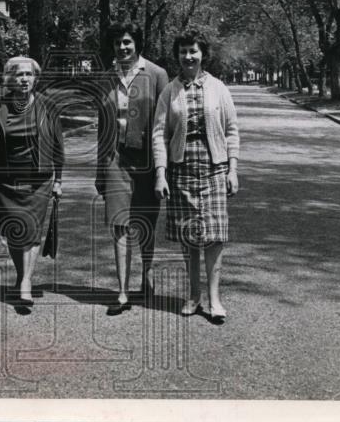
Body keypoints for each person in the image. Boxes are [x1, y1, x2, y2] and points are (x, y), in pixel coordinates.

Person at [152, 29, 239, 323]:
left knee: (214, 238)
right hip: (182, 170)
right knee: (189, 238)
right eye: (183, 52)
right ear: (177, 55)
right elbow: (159, 135)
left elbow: (231, 131)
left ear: (203, 54)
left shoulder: (218, 88)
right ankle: (193, 295)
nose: (188, 57)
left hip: (214, 169)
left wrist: (233, 169)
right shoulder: (170, 91)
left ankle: (215, 299)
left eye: (193, 51)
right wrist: (161, 174)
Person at [96, 22, 169, 315]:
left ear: (137, 43)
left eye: (127, 42)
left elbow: (167, 122)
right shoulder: (106, 78)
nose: (122, 48)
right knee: (119, 224)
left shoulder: (156, 74)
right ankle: (123, 292)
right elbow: (102, 126)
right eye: (117, 43)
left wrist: (165, 168)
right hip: (116, 159)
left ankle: (146, 279)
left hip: (148, 159)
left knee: (145, 223)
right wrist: (100, 170)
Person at [0, 56, 64, 308]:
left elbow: (59, 145)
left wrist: (59, 180)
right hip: (6, 180)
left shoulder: (48, 106)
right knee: (13, 233)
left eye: (29, 75)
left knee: (31, 231)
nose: (24, 79)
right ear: (10, 79)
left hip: (39, 177)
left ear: (35, 78)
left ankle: (26, 281)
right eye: (19, 75)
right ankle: (21, 276)